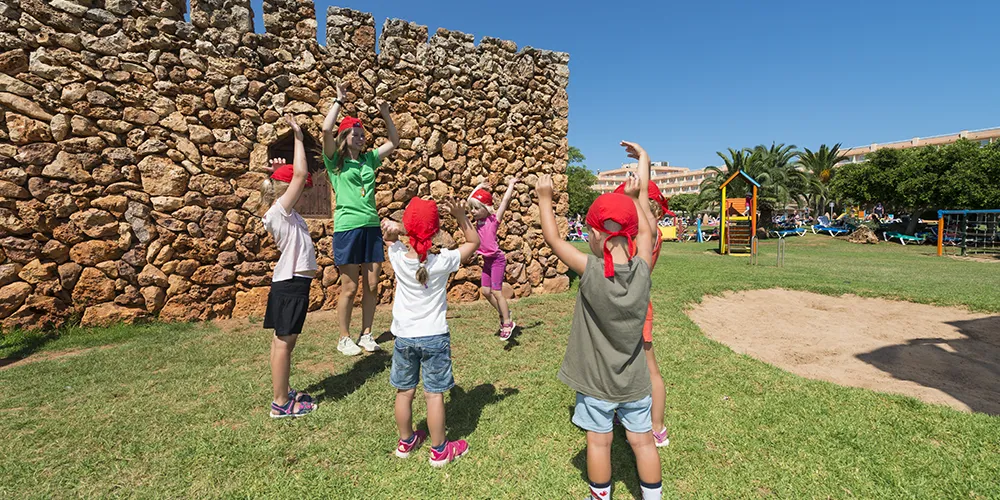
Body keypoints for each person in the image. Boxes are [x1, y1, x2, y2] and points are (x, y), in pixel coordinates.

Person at [536, 140, 662, 500]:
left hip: (596, 383)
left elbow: (553, 239)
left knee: (599, 442)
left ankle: (600, 495)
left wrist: (545, 198)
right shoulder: (643, 271)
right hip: (636, 382)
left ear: (593, 235)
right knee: (642, 442)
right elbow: (647, 233)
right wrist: (643, 169)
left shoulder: (590, 271)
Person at [381, 196, 480, 467]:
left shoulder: (398, 256)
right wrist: (461, 217)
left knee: (404, 392)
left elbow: (390, 238)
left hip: (403, 336)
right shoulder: (442, 261)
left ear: (406, 227)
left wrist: (398, 229)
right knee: (433, 394)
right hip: (434, 336)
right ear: (436, 231)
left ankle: (406, 441)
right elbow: (473, 243)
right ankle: (439, 451)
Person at [322, 82, 400, 356]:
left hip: (371, 227)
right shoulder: (335, 162)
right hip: (347, 228)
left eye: (363, 135)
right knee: (350, 286)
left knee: (372, 283)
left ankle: (366, 334)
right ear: (345, 137)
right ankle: (344, 338)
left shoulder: (368, 160)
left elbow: (394, 142)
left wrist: (386, 114)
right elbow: (325, 130)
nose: (361, 138)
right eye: (355, 134)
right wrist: (338, 101)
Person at [613, 142, 670, 448]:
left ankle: (657, 427)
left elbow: (644, 196)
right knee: (628, 363)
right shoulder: (642, 230)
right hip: (629, 304)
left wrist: (644, 159)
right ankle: (626, 411)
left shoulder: (649, 229)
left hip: (636, 306)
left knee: (649, 367)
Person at [260, 115, 318, 418]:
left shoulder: (286, 213)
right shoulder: (278, 212)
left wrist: (275, 176)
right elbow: (298, 175)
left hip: (293, 283)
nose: (302, 192)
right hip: (291, 283)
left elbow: (292, 179)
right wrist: (298, 137)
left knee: (283, 341)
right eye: (297, 189)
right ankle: (281, 403)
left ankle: (282, 392)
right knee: (284, 342)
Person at [466, 176, 520, 340]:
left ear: (486, 208)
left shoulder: (493, 219)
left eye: (476, 209)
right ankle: (504, 313)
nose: (473, 212)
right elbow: (469, 200)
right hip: (487, 261)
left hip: (497, 259)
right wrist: (478, 186)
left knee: (496, 292)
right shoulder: (477, 222)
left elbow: (504, 201)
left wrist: (510, 184)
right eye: (472, 209)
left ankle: (507, 322)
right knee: (485, 291)